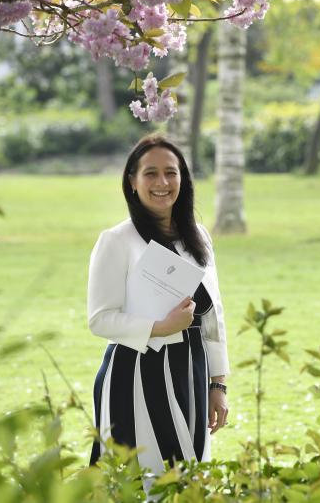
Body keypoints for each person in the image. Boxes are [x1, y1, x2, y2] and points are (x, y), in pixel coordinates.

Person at [87, 134, 229, 474]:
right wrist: (161, 328)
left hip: (191, 370)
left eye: (171, 172)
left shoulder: (198, 235)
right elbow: (100, 319)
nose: (162, 182)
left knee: (188, 476)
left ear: (183, 178)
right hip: (137, 372)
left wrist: (218, 384)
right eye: (150, 173)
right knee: (144, 478)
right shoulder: (116, 241)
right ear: (132, 182)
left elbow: (213, 317)